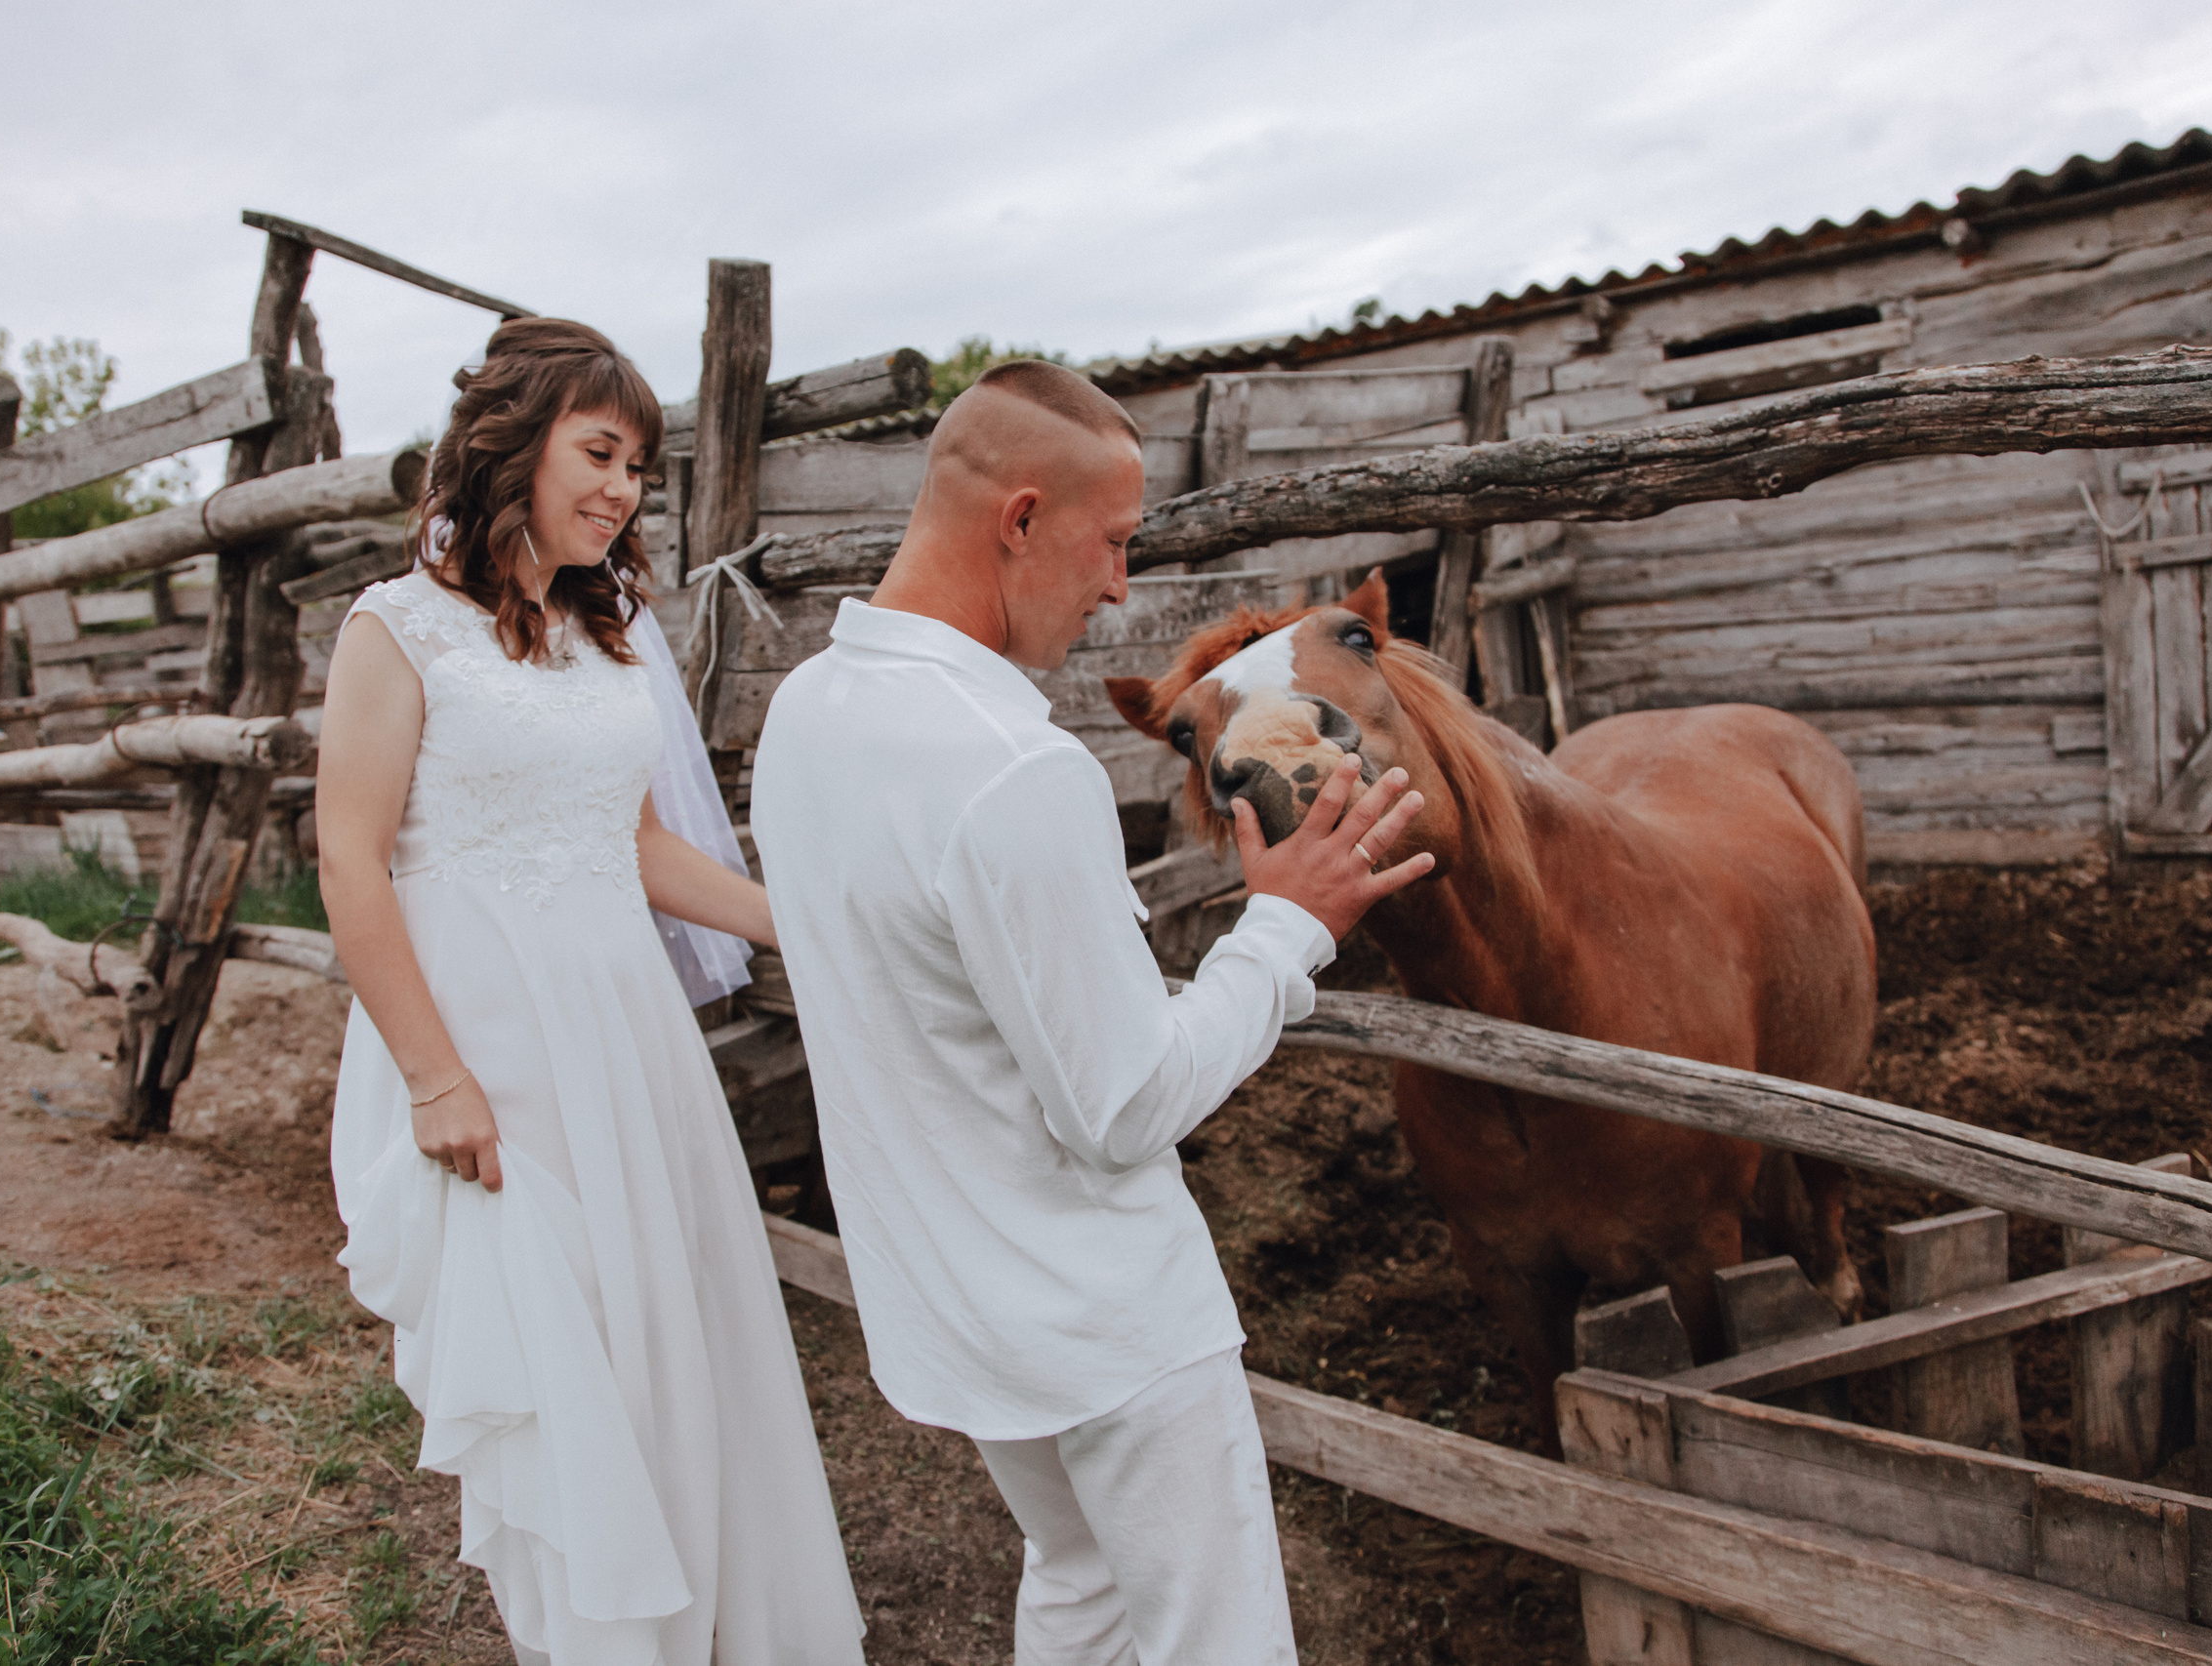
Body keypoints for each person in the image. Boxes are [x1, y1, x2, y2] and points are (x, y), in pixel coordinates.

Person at [752, 358, 1435, 1665]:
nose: (1119, 583)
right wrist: (1290, 926)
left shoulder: (806, 714)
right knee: (1210, 1639)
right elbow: (1125, 1103)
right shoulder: (1012, 770)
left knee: (1081, 1589)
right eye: (1112, 541)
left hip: (956, 1301)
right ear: (1018, 520)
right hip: (1105, 1323)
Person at [318, 317, 866, 1666]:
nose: (623, 490)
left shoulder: (604, 637)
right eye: (601, 451)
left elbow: (634, 842)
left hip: (624, 1028)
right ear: (513, 444)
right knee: (562, 1351)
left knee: (665, 1323)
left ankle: (709, 1622)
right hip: (490, 1039)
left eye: (641, 467)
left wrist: (808, 926)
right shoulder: (396, 630)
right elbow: (347, 858)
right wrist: (434, 1076)